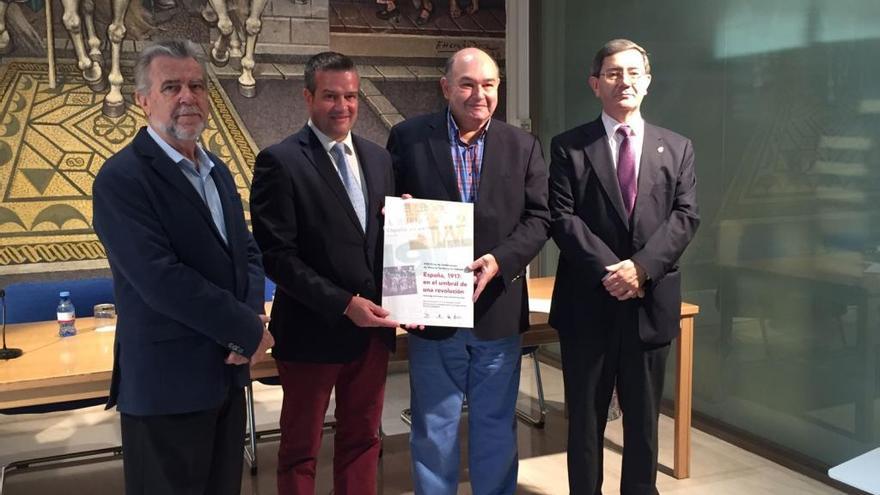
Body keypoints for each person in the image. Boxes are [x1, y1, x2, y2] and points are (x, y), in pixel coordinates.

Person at [92, 39, 273, 495]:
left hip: (226, 376)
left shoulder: (218, 170)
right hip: (166, 385)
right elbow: (160, 278)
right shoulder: (121, 179)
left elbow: (246, 253)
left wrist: (247, 320)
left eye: (196, 85)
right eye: (171, 86)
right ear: (143, 99)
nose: (187, 96)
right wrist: (245, 329)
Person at [387, 47, 550, 495]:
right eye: (467, 84)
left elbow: (540, 219)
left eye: (489, 84)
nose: (479, 94)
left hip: (497, 311)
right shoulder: (408, 138)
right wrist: (396, 213)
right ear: (446, 88)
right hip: (433, 313)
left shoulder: (523, 146)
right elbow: (386, 217)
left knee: (495, 426)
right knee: (433, 428)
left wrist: (501, 260)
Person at [548, 38, 700, 494]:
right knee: (586, 425)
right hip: (588, 305)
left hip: (649, 304)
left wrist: (640, 269)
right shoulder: (568, 147)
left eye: (634, 73)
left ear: (648, 82)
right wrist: (611, 271)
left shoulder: (677, 148)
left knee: (644, 424)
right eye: (614, 73)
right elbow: (561, 217)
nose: (624, 81)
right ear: (596, 84)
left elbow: (685, 216)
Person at [249, 51, 398, 495]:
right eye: (330, 96)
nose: (343, 106)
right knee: (300, 447)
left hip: (371, 334)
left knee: (362, 439)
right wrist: (342, 304)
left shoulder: (379, 159)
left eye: (350, 96)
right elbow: (277, 255)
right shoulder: (280, 161)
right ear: (308, 96)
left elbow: (380, 241)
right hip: (312, 331)